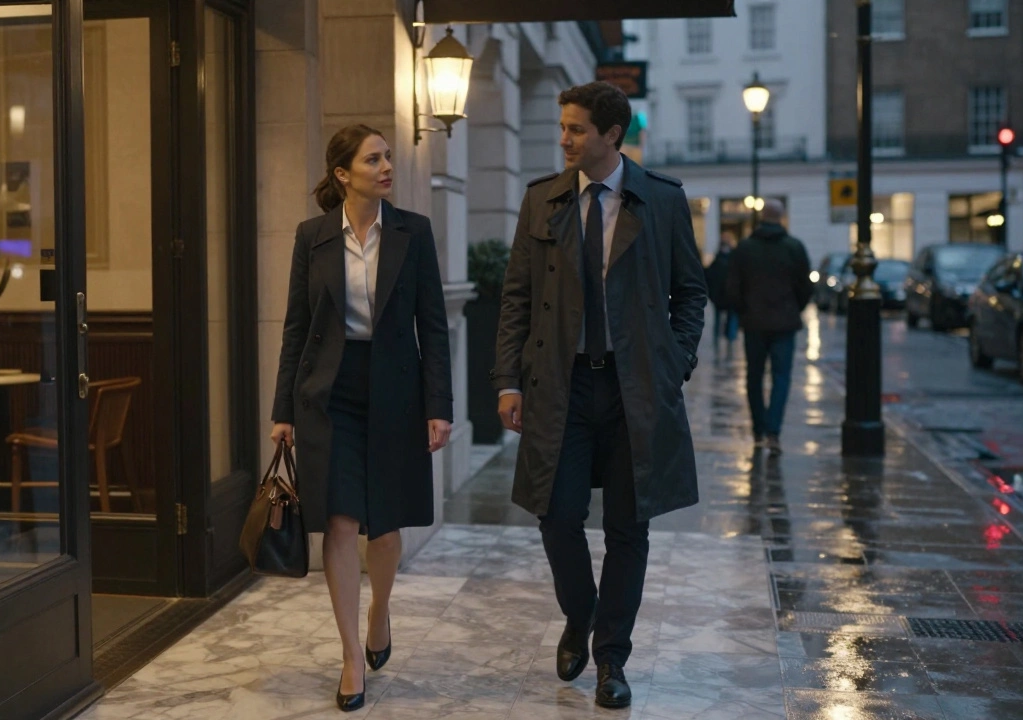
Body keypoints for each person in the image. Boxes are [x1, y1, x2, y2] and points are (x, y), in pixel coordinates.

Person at [492, 81, 707, 709]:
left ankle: (612, 658)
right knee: (555, 515)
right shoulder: (543, 201)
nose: (564, 138)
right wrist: (507, 379)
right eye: (562, 127)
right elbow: (516, 299)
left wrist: (676, 362)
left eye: (576, 129)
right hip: (560, 384)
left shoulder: (661, 201)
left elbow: (691, 293)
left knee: (628, 529)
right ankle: (580, 613)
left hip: (635, 387)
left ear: (612, 135)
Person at [270, 124, 453, 712]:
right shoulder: (313, 237)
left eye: (388, 157)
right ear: (343, 174)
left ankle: (379, 611)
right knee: (342, 522)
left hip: (396, 389)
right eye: (373, 159)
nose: (386, 166)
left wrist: (439, 406)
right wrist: (282, 410)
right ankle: (352, 655)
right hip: (330, 391)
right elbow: (296, 327)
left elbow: (435, 325)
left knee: (387, 526)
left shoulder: (413, 232)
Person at [725, 199, 813, 456]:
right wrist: (794, 308)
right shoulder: (794, 247)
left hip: (754, 322)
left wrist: (744, 310)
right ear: (782, 218)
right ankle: (773, 431)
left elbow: (733, 288)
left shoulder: (745, 248)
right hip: (784, 322)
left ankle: (758, 429)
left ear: (762, 217)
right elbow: (805, 287)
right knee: (781, 377)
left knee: (754, 377)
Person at [704, 231, 739, 344]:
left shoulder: (719, 259)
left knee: (723, 318)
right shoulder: (731, 259)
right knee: (729, 317)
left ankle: (724, 337)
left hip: (722, 294)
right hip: (725, 294)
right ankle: (729, 337)